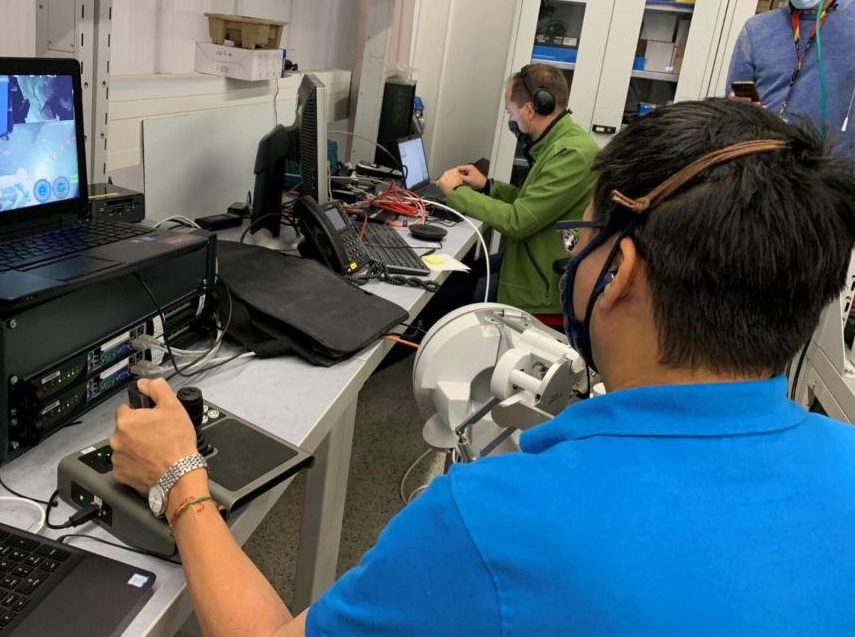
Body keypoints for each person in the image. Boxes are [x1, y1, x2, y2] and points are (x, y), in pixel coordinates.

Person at [110, 98, 855, 635]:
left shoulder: (493, 522)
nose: (578, 253)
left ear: (618, 269)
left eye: (584, 237)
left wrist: (180, 479)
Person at [434, 63, 598, 315]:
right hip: (530, 262)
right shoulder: (558, 144)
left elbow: (518, 221)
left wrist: (456, 193)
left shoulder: (572, 154)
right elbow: (531, 205)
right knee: (449, 278)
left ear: (530, 110)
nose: (511, 119)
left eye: (511, 112)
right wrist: (487, 186)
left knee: (437, 303)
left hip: (541, 287)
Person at [726, 0, 855, 151]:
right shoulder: (757, 30)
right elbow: (732, 102)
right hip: (763, 165)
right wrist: (739, 107)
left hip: (832, 174)